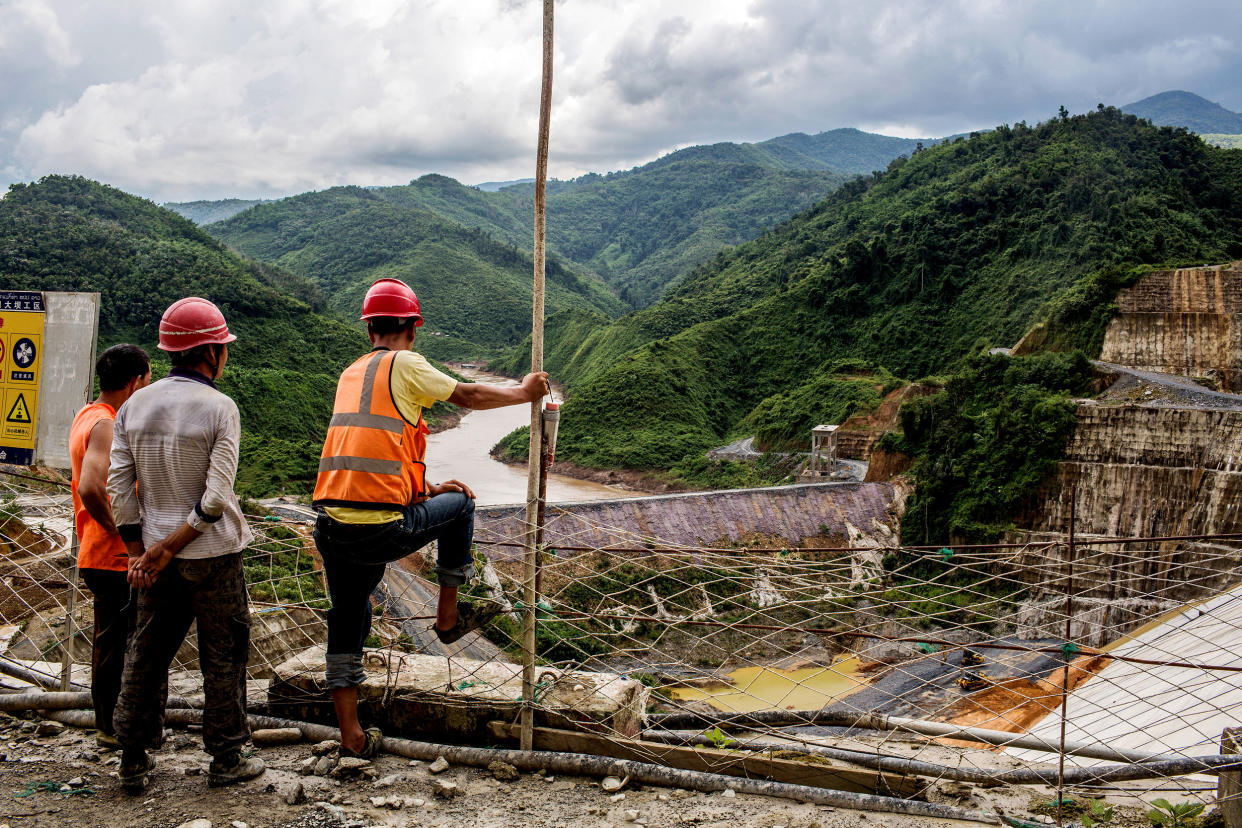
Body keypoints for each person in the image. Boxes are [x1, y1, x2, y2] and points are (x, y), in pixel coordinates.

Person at [312, 277, 549, 758]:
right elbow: (467, 397)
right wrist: (523, 392)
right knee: (461, 505)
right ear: (412, 329)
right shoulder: (405, 363)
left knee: (347, 620)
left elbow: (373, 451)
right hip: (381, 528)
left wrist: (425, 488)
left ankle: (351, 735)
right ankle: (447, 617)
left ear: (369, 328)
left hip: (332, 527)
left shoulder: (352, 371)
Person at [107, 297, 264, 792]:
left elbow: (119, 489)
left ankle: (132, 756)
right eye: (222, 347)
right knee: (223, 653)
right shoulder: (220, 407)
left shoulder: (134, 404)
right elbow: (215, 499)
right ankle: (226, 757)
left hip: (154, 558)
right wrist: (170, 547)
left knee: (147, 650)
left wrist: (142, 552)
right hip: (213, 555)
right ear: (210, 352)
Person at [69, 344, 151, 750]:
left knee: (110, 640)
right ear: (134, 382)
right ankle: (114, 728)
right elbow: (89, 486)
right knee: (120, 645)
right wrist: (122, 535)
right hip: (111, 555)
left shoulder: (86, 415)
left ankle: (110, 724)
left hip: (96, 551)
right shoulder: (106, 423)